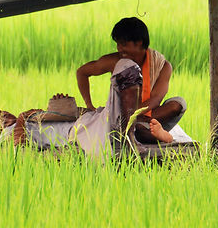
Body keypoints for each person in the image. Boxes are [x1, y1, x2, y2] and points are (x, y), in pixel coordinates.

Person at [71, 17, 186, 153]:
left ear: (139, 43)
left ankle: (148, 130)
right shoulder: (115, 60)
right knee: (136, 130)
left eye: (123, 44)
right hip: (122, 117)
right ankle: (160, 136)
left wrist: (136, 114)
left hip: (148, 115)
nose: (119, 48)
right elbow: (82, 72)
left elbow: (155, 99)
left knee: (178, 104)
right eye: (118, 44)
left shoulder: (163, 65)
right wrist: (89, 105)